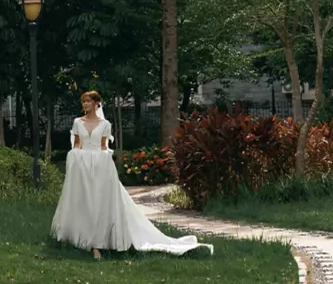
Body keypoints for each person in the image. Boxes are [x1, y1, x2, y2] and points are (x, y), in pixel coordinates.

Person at [51, 90, 212, 260]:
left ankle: (99, 243)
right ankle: (77, 237)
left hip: (100, 166)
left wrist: (103, 160)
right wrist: (76, 158)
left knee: (100, 202)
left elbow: (104, 147)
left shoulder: (105, 124)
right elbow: (77, 144)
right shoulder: (77, 122)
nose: (85, 105)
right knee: (83, 200)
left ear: (97, 103)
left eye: (88, 101)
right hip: (82, 166)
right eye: (83, 102)